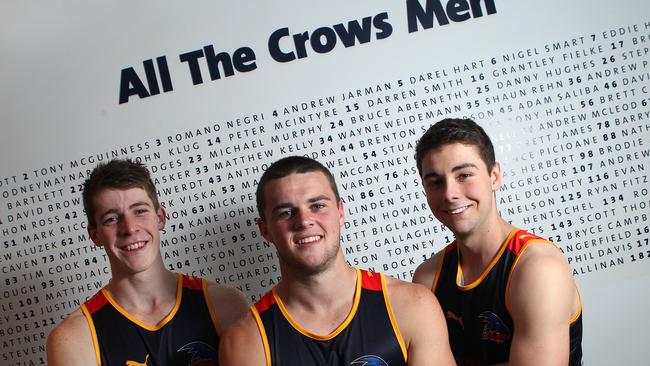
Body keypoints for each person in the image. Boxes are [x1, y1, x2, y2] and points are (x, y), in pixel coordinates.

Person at [219, 156, 455, 365]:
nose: (304, 221)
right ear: (265, 230)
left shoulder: (411, 305)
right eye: (286, 213)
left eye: (317, 206)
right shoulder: (246, 341)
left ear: (341, 211)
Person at [412, 118, 583, 365]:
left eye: (464, 175)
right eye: (435, 182)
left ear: (494, 177)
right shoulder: (428, 278)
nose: (450, 194)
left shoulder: (538, 268)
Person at [46, 159, 249, 366]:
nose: (130, 228)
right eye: (111, 219)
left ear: (160, 217)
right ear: (94, 235)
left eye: (139, 211)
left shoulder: (225, 304)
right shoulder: (74, 339)